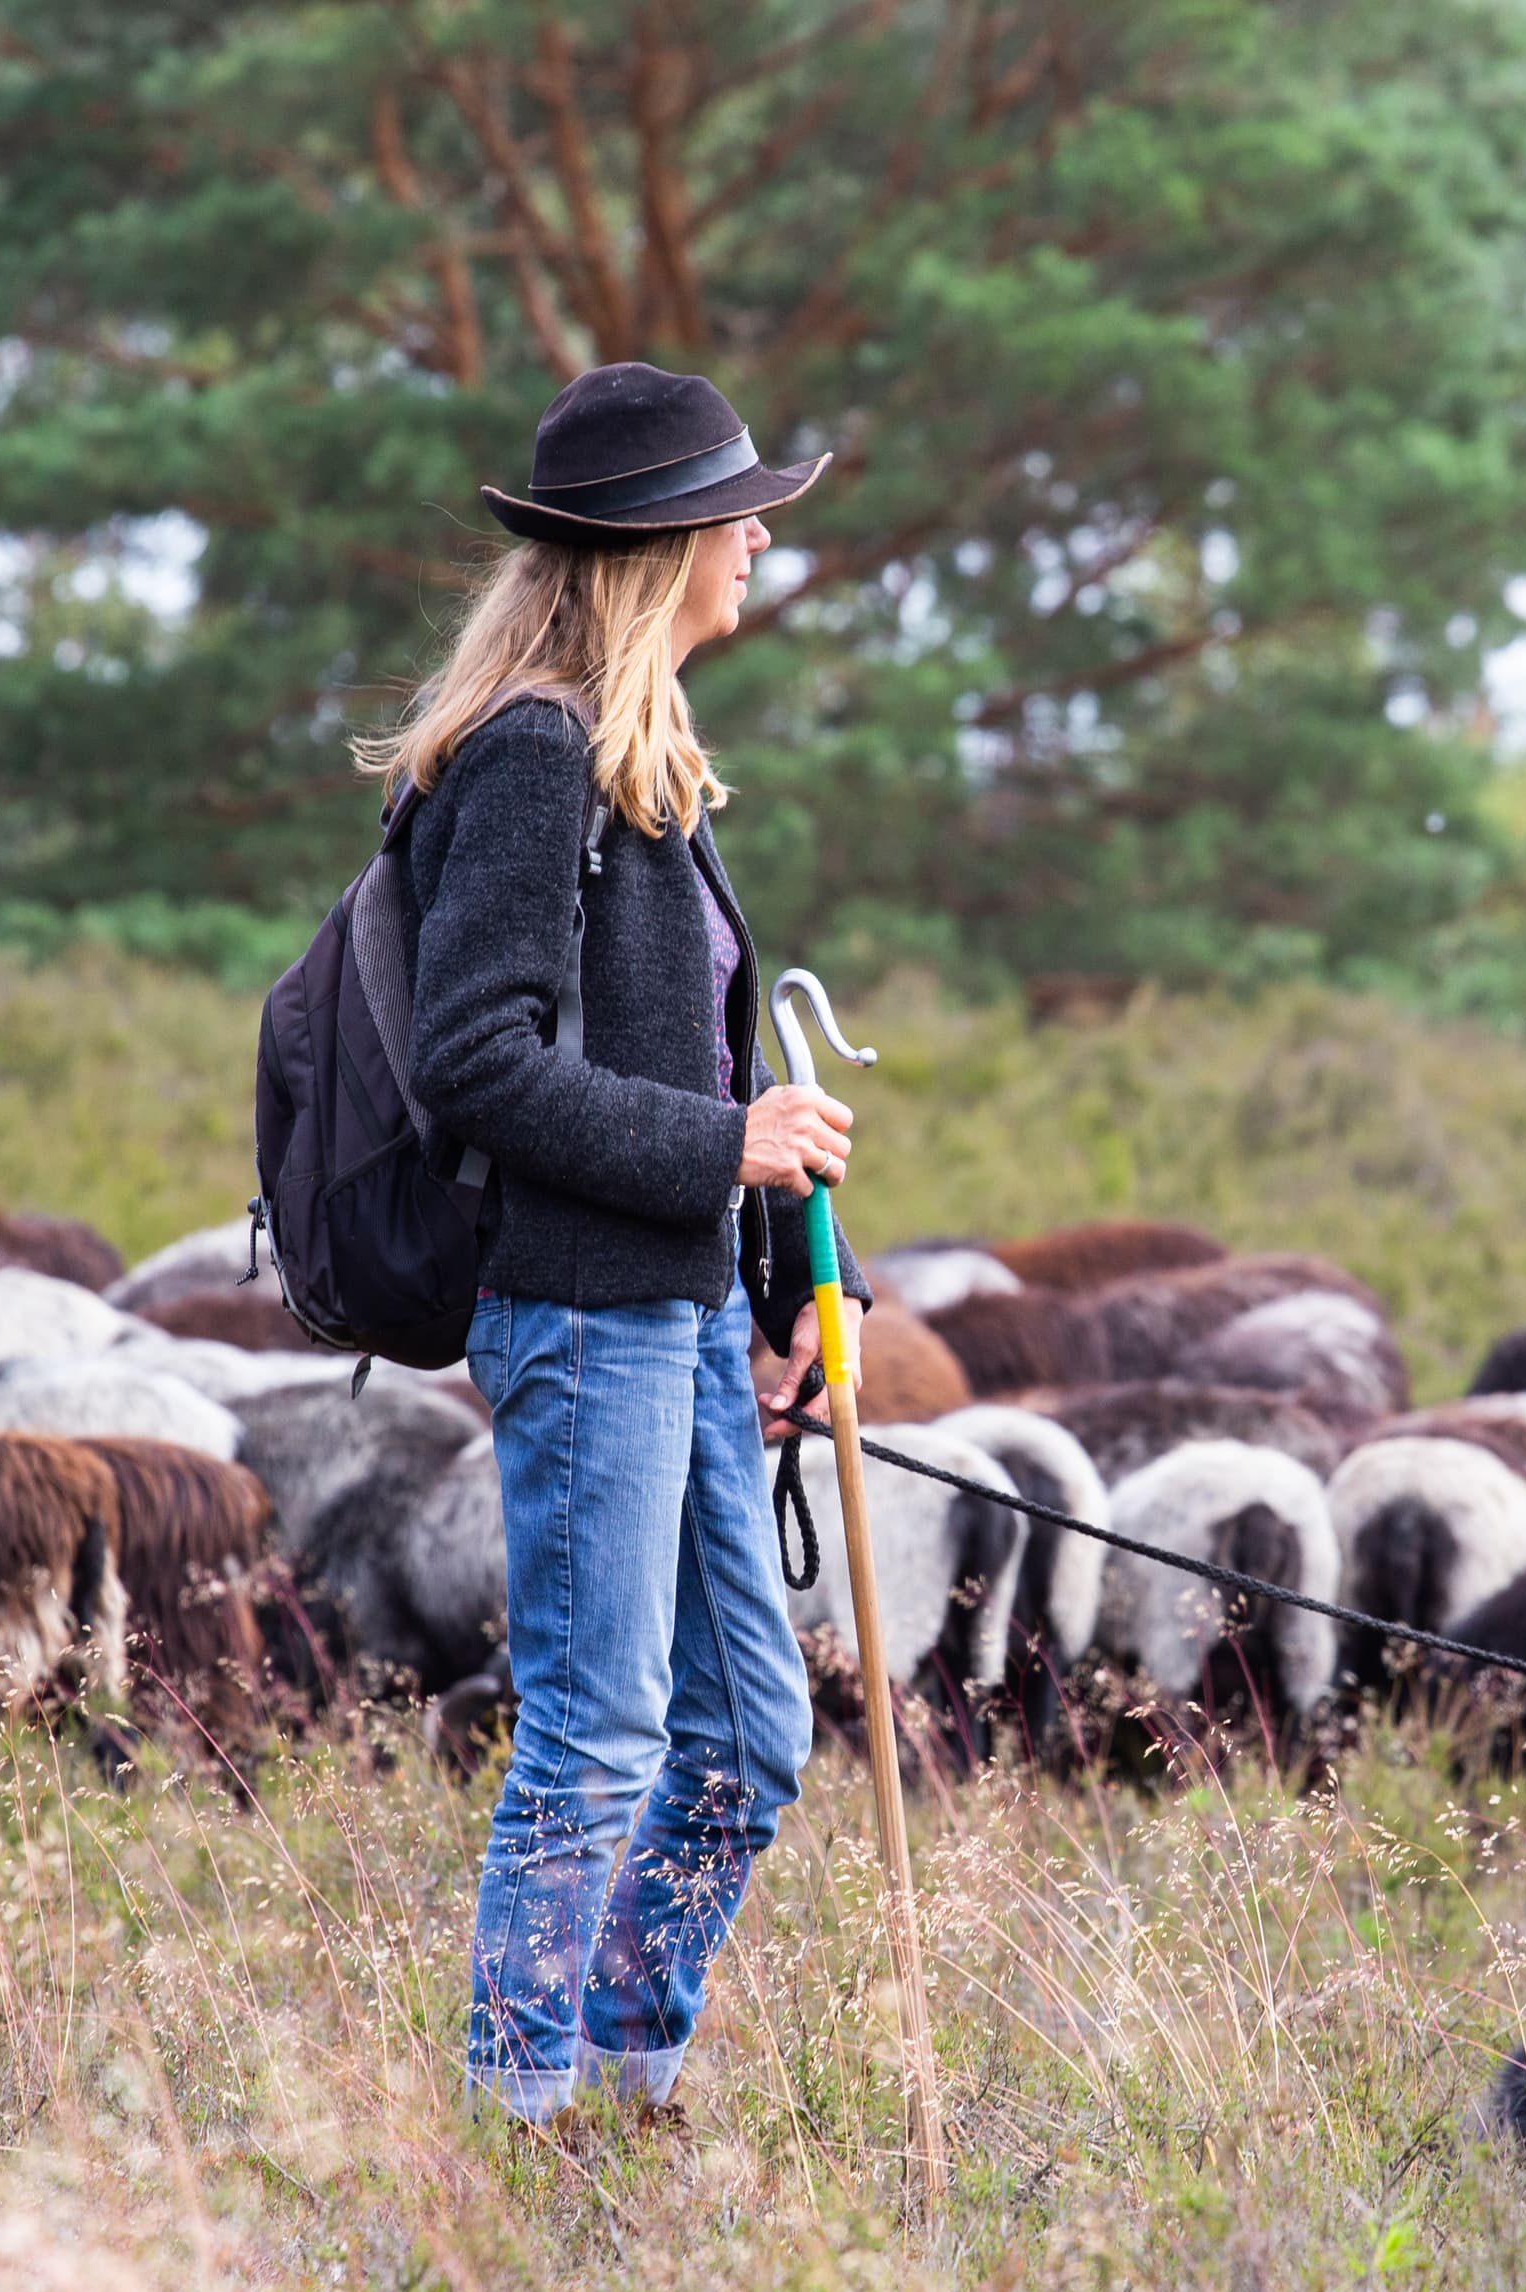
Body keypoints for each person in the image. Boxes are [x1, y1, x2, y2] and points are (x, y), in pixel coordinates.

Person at [378, 360, 867, 2126]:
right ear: (657, 550)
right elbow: (477, 1056)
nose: (757, 537)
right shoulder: (528, 759)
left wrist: (795, 1288)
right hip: (581, 1321)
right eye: (737, 514)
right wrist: (727, 1147)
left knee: (747, 1738)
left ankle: (628, 2065)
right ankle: (524, 2124)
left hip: (674, 1314)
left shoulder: (649, 765)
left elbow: (703, 1061)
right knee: (596, 1746)